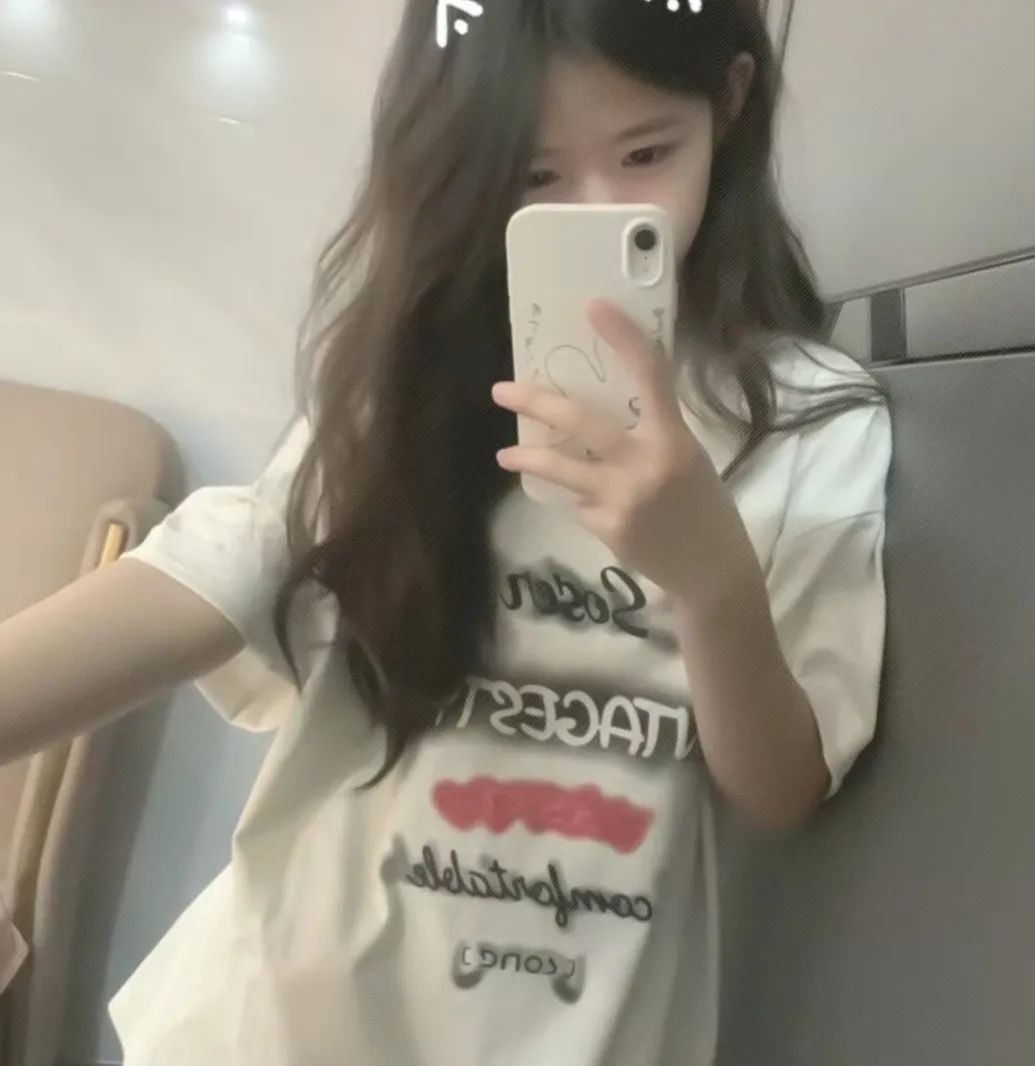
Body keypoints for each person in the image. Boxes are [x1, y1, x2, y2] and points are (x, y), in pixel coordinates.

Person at [0, 0, 892, 1062]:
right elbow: (224, 565)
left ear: (729, 103)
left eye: (647, 153)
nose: (600, 210)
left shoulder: (809, 424)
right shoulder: (410, 384)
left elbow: (783, 787)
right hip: (273, 1022)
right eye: (535, 176)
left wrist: (711, 580)